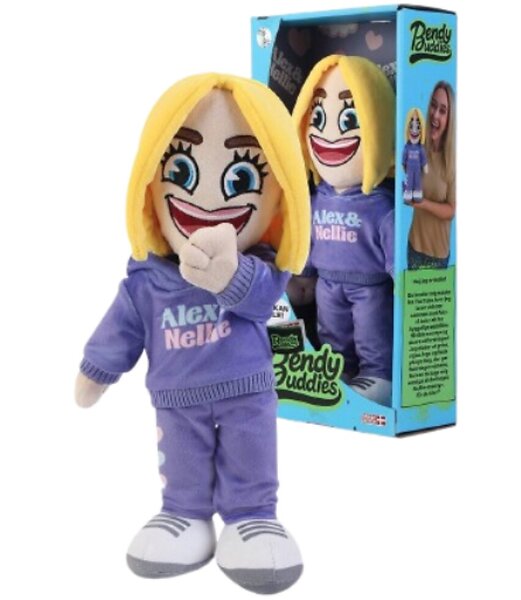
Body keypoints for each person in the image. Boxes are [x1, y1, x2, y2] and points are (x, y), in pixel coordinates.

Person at [75, 73, 310, 594]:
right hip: (175, 401)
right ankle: (184, 513)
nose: (206, 201)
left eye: (243, 177)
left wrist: (229, 275)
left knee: (252, 457)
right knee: (181, 467)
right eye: (180, 170)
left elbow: (265, 298)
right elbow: (123, 325)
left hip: (247, 395)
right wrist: (96, 369)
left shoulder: (259, 266)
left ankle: (252, 516)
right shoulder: (148, 278)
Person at [407, 81, 455, 269]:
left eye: (443, 110)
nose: (435, 114)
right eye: (433, 106)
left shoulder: (453, 161)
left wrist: (421, 203)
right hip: (414, 247)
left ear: (450, 119)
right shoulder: (418, 149)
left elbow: (451, 211)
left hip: (438, 256)